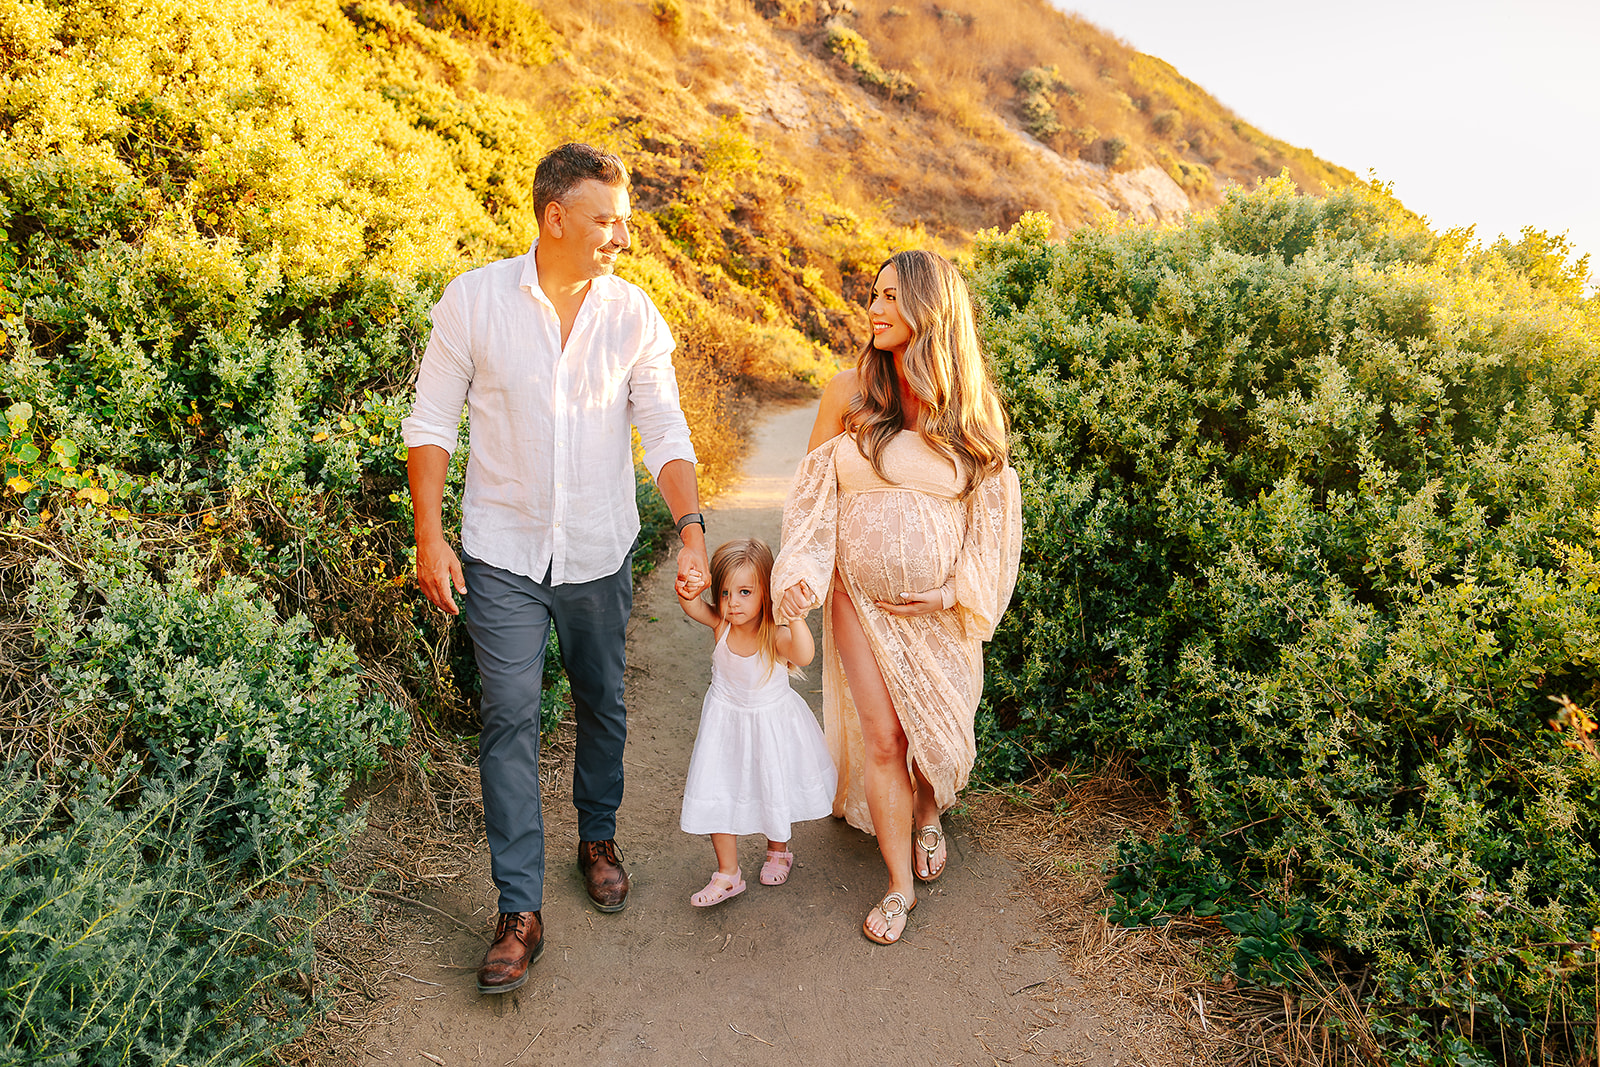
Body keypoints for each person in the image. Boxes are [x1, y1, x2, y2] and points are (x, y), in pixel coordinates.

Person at [401, 143, 709, 995]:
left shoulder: (634, 314)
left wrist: (689, 527)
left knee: (602, 698)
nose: (621, 237)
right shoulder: (474, 301)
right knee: (508, 716)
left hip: (599, 547)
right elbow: (430, 424)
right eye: (608, 221)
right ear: (556, 217)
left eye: (626, 222)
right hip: (500, 551)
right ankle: (519, 911)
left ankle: (598, 835)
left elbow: (666, 429)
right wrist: (431, 534)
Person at [773, 249, 1022, 945]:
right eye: (873, 295)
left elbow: (994, 521)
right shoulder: (847, 391)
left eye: (889, 297)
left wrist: (951, 590)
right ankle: (897, 886)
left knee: (926, 739)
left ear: (928, 310)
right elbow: (811, 499)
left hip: (940, 615)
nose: (874, 309)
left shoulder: (972, 412)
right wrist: (801, 572)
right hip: (860, 599)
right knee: (884, 737)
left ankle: (928, 813)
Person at [673, 538, 837, 906]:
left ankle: (778, 850)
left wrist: (793, 616)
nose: (733, 602)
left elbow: (805, 655)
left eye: (745, 591)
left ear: (767, 590)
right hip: (724, 724)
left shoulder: (775, 634)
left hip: (770, 726)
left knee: (770, 784)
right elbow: (692, 606)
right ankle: (728, 873)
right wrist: (688, 587)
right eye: (727, 592)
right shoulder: (722, 625)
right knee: (718, 790)